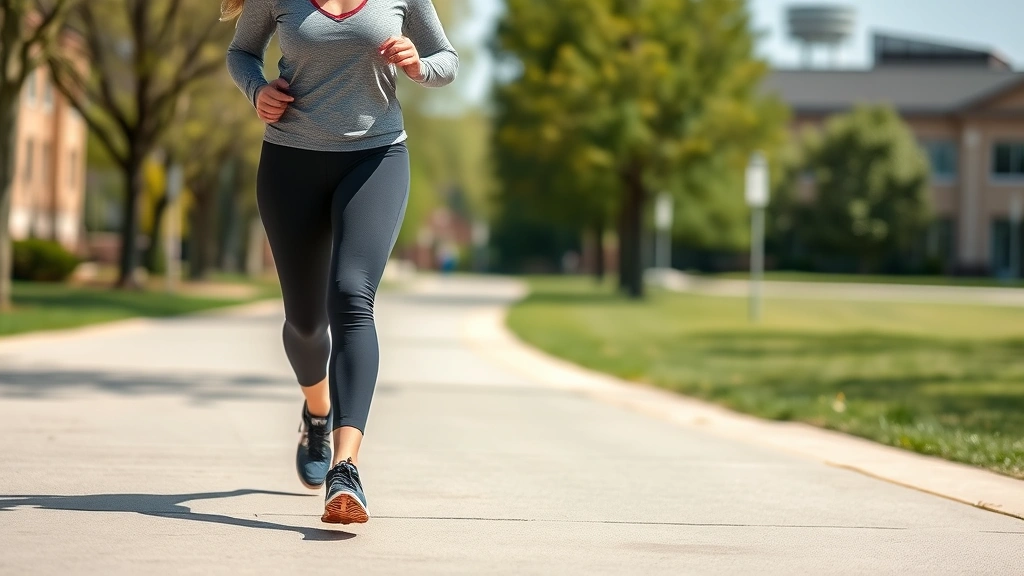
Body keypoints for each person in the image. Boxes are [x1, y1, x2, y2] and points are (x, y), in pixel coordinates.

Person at [221, 0, 458, 525]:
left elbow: (447, 60)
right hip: (290, 161)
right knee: (305, 323)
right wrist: (256, 91)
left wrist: (419, 66)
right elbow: (241, 52)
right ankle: (318, 413)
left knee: (352, 295)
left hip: (376, 157)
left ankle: (346, 468)